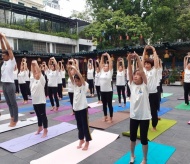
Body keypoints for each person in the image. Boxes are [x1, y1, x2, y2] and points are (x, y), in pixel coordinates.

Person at [127, 52, 151, 164]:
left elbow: (141, 70)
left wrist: (137, 58)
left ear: (142, 76)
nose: (135, 76)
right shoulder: (132, 85)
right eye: (134, 75)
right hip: (134, 116)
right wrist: (128, 60)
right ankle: (132, 156)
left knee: (144, 139)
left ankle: (145, 159)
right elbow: (130, 72)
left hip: (144, 117)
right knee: (132, 138)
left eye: (138, 75)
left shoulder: (145, 85)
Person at [67, 64, 92, 150]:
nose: (77, 82)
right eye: (76, 81)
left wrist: (75, 69)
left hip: (83, 109)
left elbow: (81, 78)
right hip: (76, 109)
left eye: (78, 81)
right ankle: (81, 139)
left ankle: (87, 141)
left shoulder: (84, 86)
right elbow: (71, 77)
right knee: (79, 125)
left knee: (85, 126)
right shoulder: (75, 86)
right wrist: (68, 69)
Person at [0, 33, 18, 127]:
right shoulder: (4, 63)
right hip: (4, 84)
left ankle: (15, 119)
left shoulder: (11, 61)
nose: (3, 56)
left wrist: (4, 36)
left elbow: (8, 49)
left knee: (13, 103)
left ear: (8, 56)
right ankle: (12, 118)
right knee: (8, 103)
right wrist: (1, 39)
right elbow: (4, 49)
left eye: (4, 55)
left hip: (10, 84)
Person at [142, 45, 159, 131]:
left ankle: (154, 126)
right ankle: (146, 125)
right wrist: (145, 50)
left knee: (153, 111)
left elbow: (156, 61)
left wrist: (153, 50)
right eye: (145, 64)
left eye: (148, 64)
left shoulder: (154, 70)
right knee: (145, 110)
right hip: (145, 94)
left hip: (153, 94)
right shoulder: (143, 70)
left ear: (151, 65)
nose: (146, 65)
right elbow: (142, 60)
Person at [30, 60, 48, 138]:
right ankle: (40, 127)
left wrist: (36, 64)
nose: (35, 73)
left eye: (37, 73)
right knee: (38, 116)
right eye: (35, 73)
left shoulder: (42, 81)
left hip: (41, 101)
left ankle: (45, 129)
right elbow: (33, 71)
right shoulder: (33, 80)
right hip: (35, 101)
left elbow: (39, 72)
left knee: (43, 116)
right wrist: (32, 64)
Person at [99, 53, 113, 123]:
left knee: (109, 104)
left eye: (106, 66)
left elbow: (110, 63)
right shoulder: (101, 72)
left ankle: (110, 118)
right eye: (104, 66)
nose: (105, 67)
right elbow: (101, 64)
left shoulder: (110, 72)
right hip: (102, 91)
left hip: (108, 91)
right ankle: (105, 116)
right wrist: (102, 56)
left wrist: (108, 55)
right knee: (104, 105)